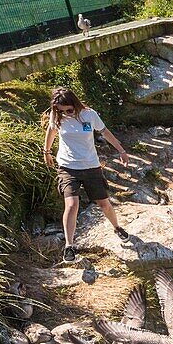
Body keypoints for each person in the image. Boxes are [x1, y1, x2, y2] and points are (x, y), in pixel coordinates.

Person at [41, 87, 131, 263]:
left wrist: (121, 150)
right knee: (72, 204)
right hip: (67, 167)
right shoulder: (57, 116)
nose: (65, 113)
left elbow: (105, 132)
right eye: (61, 111)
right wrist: (46, 151)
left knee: (104, 203)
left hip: (91, 167)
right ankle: (69, 245)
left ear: (75, 104)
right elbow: (51, 131)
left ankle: (117, 227)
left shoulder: (89, 115)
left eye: (69, 110)